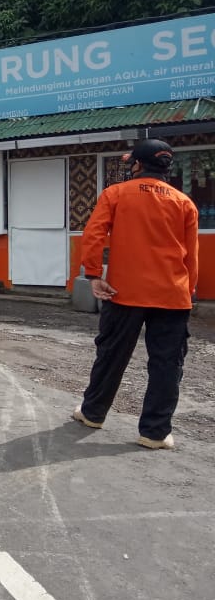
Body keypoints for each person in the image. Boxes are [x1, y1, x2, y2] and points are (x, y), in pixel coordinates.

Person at [74, 138, 199, 449]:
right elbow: (191, 257)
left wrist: (92, 274)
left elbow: (93, 235)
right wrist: (189, 290)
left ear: (138, 165)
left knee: (111, 355)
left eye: (130, 162)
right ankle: (155, 433)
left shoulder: (116, 194)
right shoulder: (184, 203)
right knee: (167, 364)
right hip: (172, 295)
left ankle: (92, 414)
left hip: (123, 292)